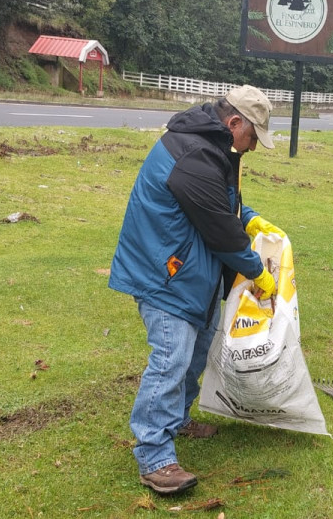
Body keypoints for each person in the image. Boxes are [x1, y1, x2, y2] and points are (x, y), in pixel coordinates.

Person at [108, 85, 287, 495]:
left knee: (198, 349)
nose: (254, 146)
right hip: (166, 273)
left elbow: (226, 207)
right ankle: (154, 455)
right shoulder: (193, 154)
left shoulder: (216, 149)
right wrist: (257, 272)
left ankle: (177, 419)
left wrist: (253, 218)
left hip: (193, 271)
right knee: (171, 359)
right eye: (253, 136)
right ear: (234, 122)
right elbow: (221, 230)